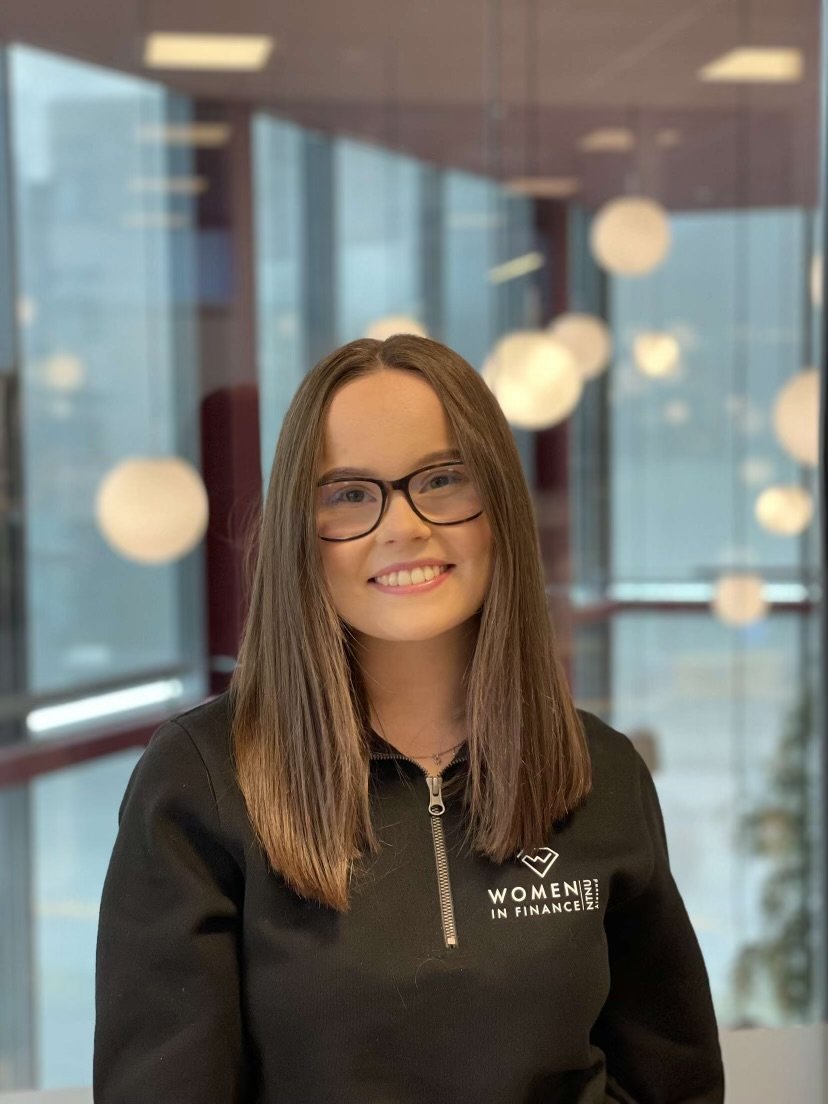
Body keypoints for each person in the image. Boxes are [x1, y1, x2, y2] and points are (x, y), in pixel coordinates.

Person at [93, 334, 725, 1103]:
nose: (403, 526)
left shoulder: (601, 770)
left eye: (442, 479)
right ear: (300, 530)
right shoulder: (197, 783)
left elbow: (674, 1083)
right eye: (349, 493)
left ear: (498, 502)